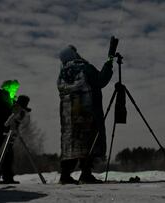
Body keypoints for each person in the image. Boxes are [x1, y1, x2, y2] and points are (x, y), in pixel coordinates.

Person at [57, 45, 113, 184]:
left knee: (71, 144)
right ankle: (86, 174)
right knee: (89, 143)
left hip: (68, 117)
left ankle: (65, 175)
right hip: (87, 113)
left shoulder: (62, 74)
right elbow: (101, 80)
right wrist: (109, 63)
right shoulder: (85, 68)